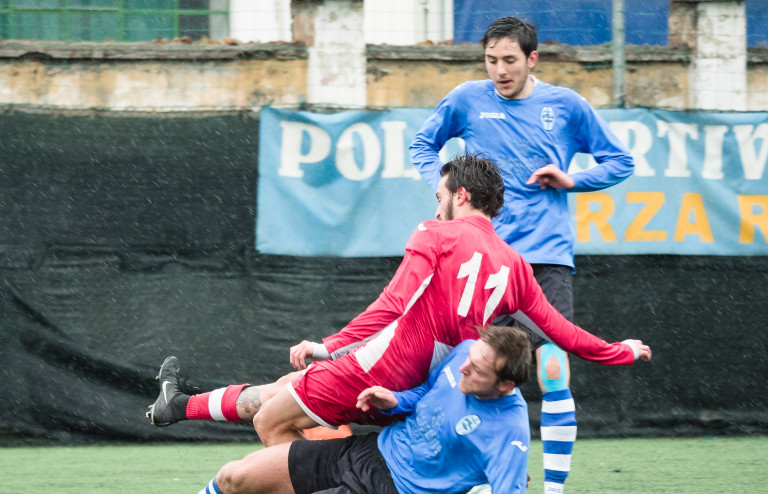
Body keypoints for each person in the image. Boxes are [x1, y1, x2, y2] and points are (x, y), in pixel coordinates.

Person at [147, 154, 650, 452]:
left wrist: (331, 345)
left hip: (387, 367)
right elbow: (563, 334)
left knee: (271, 421)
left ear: (463, 196)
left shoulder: (437, 232)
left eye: (441, 193)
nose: (436, 203)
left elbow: (394, 301)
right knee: (284, 388)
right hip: (433, 386)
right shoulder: (516, 264)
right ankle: (179, 406)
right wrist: (621, 350)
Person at [409, 16, 635, 494]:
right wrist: (441, 187)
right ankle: (458, 483)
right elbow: (424, 146)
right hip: (482, 257)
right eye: (491, 61)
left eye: (510, 60)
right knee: (462, 370)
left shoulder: (566, 106)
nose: (500, 71)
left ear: (533, 59)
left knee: (552, 370)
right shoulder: (467, 99)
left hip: (546, 261)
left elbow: (620, 161)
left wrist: (572, 178)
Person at [110, 327, 535, 494]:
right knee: (233, 475)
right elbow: (425, 392)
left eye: (477, 370)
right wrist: (396, 399)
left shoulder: (509, 433)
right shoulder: (466, 352)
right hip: (365, 452)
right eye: (469, 356)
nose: (464, 365)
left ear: (505, 384)